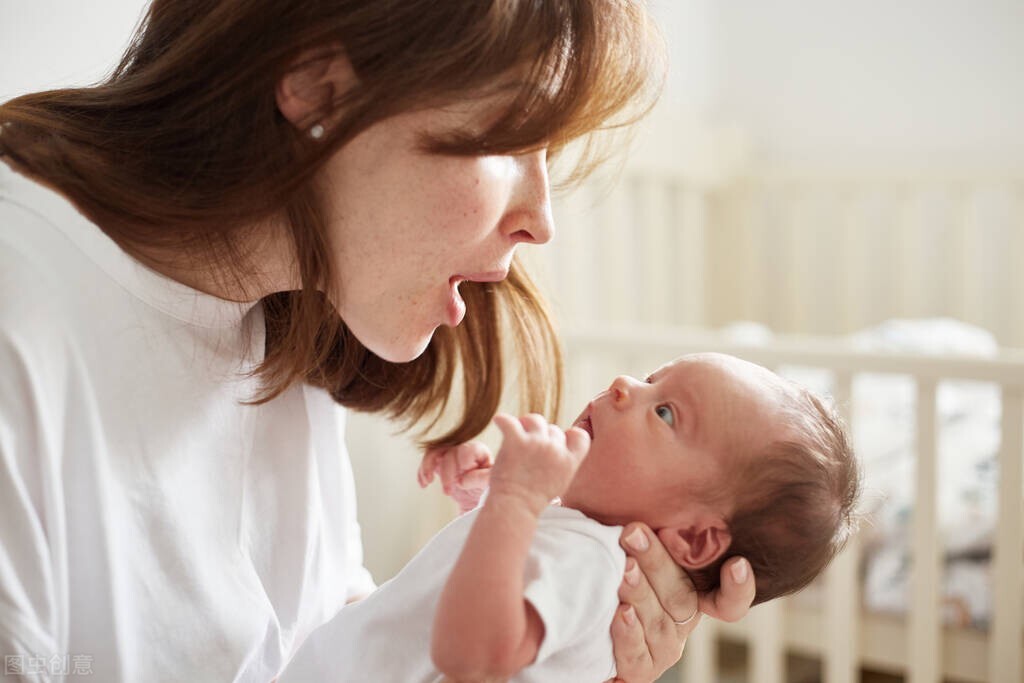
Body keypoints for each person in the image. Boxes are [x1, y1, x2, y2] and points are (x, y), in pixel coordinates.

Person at [0, 2, 757, 681]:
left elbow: (319, 641)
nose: (541, 220)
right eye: (510, 136)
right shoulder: (23, 318)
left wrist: (563, 656)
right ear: (319, 83)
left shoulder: (288, 312)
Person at [278, 352, 861, 681]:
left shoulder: (592, 563)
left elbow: (474, 656)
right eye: (652, 374)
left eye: (664, 412)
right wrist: (485, 504)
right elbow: (486, 591)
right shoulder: (581, 544)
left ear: (693, 536)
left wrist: (512, 502)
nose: (624, 385)